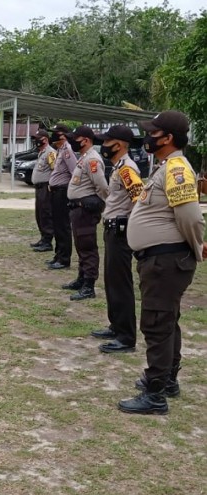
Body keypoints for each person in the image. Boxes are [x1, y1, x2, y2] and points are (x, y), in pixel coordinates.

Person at [118, 110, 206, 415]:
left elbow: (192, 217)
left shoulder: (177, 168)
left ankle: (156, 394)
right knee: (167, 321)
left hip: (165, 261)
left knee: (157, 324)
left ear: (168, 138)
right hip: (161, 260)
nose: (147, 136)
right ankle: (167, 380)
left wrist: (196, 246)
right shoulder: (167, 166)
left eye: (153, 132)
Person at [92, 125, 144, 353]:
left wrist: (131, 227)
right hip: (113, 229)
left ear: (120, 144)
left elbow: (139, 201)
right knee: (112, 281)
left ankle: (126, 336)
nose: (103, 146)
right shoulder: (119, 167)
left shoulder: (127, 170)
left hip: (121, 232)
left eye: (107, 141)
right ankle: (116, 325)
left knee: (121, 284)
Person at [63, 126, 109, 300]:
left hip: (85, 210)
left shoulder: (92, 160)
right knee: (81, 245)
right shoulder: (84, 158)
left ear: (86, 140)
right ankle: (82, 279)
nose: (72, 141)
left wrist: (106, 204)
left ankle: (89, 285)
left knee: (88, 247)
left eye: (76, 138)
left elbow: (102, 186)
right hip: (78, 209)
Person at [47, 124, 76, 269]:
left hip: (62, 192)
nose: (53, 135)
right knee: (57, 225)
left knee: (63, 226)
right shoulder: (60, 150)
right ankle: (58, 255)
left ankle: (64, 259)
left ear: (64, 135)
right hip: (55, 191)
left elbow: (74, 171)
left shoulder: (67, 150)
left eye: (56, 133)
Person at [29, 129, 56, 252]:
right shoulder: (42, 152)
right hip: (39, 188)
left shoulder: (50, 153)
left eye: (37, 138)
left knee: (45, 214)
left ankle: (47, 241)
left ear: (45, 139)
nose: (35, 140)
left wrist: (51, 184)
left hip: (46, 187)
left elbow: (54, 170)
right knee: (39, 214)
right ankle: (43, 238)